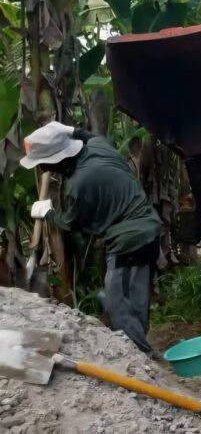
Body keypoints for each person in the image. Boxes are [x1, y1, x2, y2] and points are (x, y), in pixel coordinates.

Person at [21, 122, 163, 354]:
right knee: (134, 295)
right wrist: (68, 130)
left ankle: (141, 358)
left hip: (128, 241)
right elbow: (89, 135)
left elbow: (71, 223)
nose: (42, 169)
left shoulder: (80, 183)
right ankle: (140, 348)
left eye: (43, 164)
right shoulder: (100, 147)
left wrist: (48, 213)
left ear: (57, 160)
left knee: (121, 304)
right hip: (148, 230)